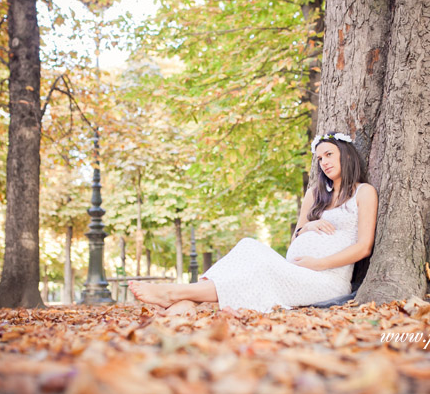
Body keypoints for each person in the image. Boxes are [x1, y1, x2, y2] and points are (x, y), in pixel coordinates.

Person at [129, 132, 378, 314]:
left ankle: (175, 294)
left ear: (345, 155)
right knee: (248, 246)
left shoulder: (363, 192)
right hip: (296, 269)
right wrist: (309, 226)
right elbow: (297, 237)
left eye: (329, 155)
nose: (324, 162)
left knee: (260, 270)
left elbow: (364, 247)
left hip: (327, 280)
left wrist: (319, 263)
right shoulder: (315, 195)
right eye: (320, 158)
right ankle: (189, 300)